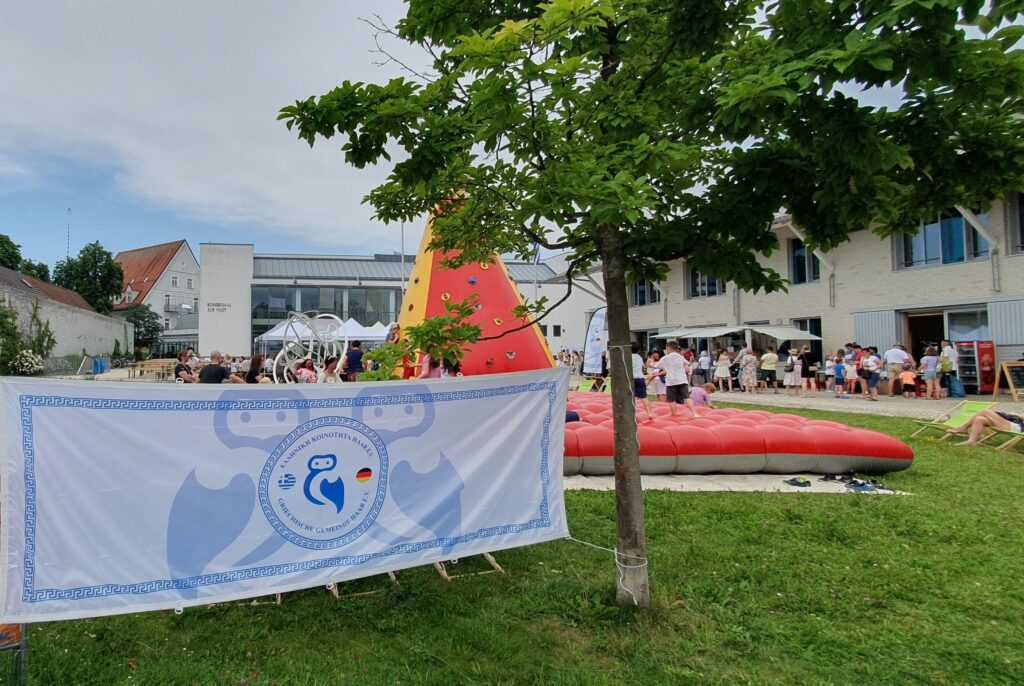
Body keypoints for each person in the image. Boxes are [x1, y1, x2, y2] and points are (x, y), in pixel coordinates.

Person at [654, 340, 699, 418]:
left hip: (671, 381)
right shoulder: (680, 357)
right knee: (687, 397)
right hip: (682, 380)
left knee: (671, 399)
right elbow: (687, 364)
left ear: (668, 348)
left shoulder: (665, 358)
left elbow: (658, 366)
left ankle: (675, 414)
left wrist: (651, 364)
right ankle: (695, 413)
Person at [946, 409, 1022, 445]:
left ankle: (964, 427)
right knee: (980, 419)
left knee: (985, 411)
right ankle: (971, 441)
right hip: (1014, 423)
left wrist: (1017, 414)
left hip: (1018, 428)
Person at [631, 342, 654, 421]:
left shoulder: (628, 357)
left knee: (631, 397)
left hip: (632, 378)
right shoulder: (639, 358)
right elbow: (642, 367)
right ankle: (649, 412)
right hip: (640, 378)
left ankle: (632, 413)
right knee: (644, 397)